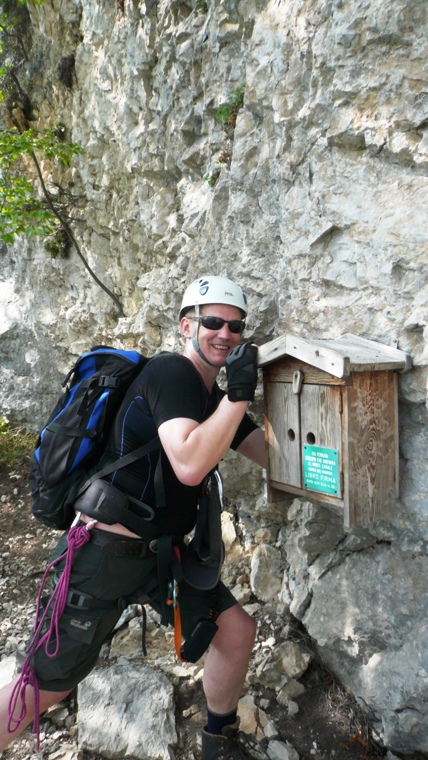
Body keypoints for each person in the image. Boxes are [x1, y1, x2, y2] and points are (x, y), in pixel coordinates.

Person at [0, 275, 267, 759]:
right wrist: (240, 393)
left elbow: (267, 453)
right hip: (102, 557)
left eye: (235, 326)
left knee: (235, 631)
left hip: (159, 557)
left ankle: (216, 740)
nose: (224, 334)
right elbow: (189, 463)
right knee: (47, 685)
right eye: (212, 322)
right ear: (188, 325)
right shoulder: (172, 374)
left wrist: (332, 459)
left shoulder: (210, 398)